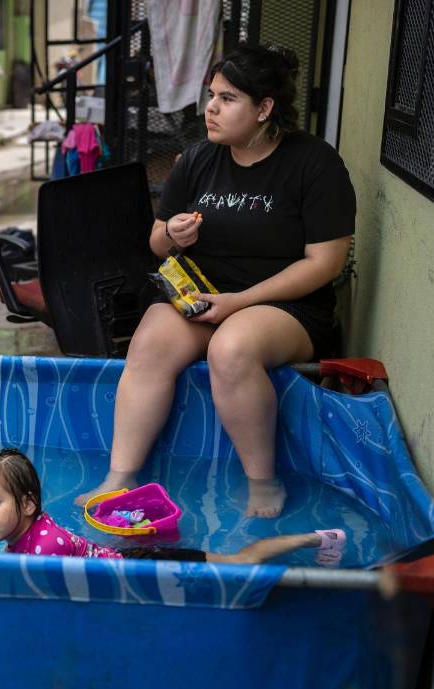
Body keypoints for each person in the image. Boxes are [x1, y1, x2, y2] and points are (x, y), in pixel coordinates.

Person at [77, 43, 356, 518]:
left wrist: (240, 301)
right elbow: (156, 243)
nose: (210, 107)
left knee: (232, 348)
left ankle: (261, 480)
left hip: (284, 307)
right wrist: (173, 233)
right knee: (149, 341)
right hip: (201, 300)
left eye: (227, 98)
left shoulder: (314, 163)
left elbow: (325, 262)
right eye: (211, 95)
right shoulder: (197, 159)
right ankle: (121, 475)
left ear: (264, 108)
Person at [0, 449, 346, 564]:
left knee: (239, 562)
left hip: (144, 567)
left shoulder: (45, 548)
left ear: (28, 504)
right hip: (124, 560)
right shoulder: (31, 527)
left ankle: (317, 539)